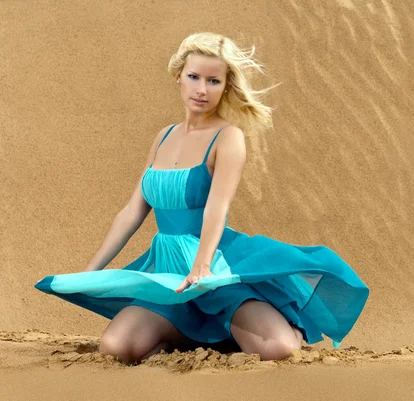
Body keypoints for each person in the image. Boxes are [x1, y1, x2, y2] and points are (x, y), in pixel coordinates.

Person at [35, 32, 369, 365]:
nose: (201, 89)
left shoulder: (228, 138)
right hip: (167, 271)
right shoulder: (163, 136)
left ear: (225, 86)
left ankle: (276, 325)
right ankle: (194, 332)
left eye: (213, 81)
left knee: (279, 349)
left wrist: (202, 265)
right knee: (117, 346)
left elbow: (216, 208)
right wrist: (92, 271)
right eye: (194, 77)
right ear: (178, 76)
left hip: (215, 264)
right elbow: (132, 211)